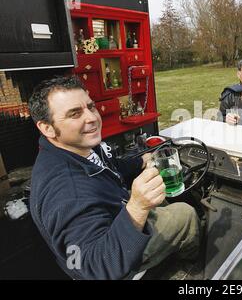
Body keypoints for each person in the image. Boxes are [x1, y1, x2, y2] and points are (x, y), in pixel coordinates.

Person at [28, 76, 200, 280]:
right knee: (185, 214)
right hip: (114, 256)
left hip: (116, 210)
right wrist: (137, 207)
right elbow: (96, 266)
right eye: (75, 114)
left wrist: (141, 161)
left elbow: (110, 166)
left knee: (162, 198)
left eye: (90, 107)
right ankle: (192, 266)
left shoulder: (79, 147)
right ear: (47, 127)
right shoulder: (66, 191)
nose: (91, 118)